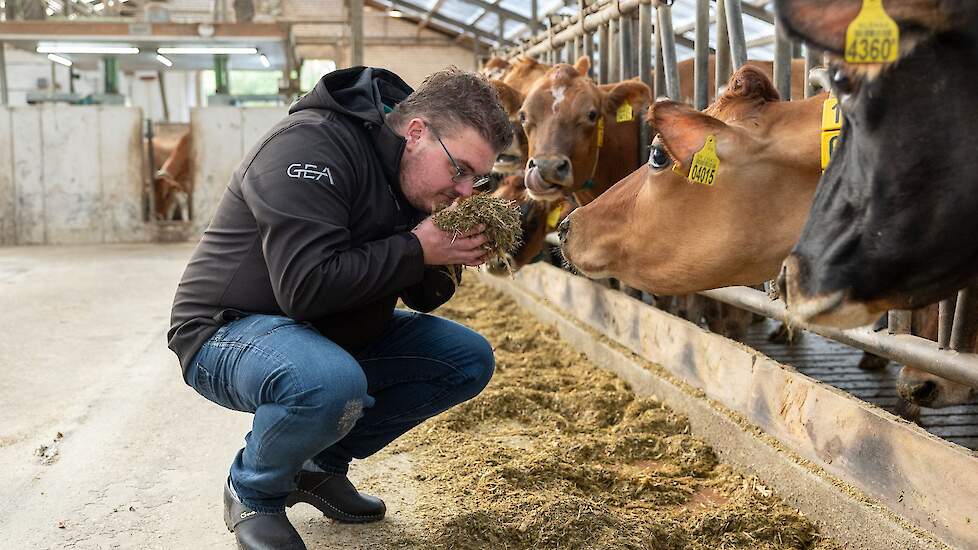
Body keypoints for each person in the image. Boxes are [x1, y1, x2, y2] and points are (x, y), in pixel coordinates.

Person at [167, 66, 512, 550]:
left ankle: (316, 467)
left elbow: (421, 296)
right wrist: (416, 248)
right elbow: (305, 287)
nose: (465, 190)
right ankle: (254, 491)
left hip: (327, 330)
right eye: (461, 170)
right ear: (417, 133)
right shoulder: (308, 146)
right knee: (329, 383)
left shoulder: (410, 175)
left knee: (465, 359)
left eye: (478, 178)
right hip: (228, 330)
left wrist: (447, 254)